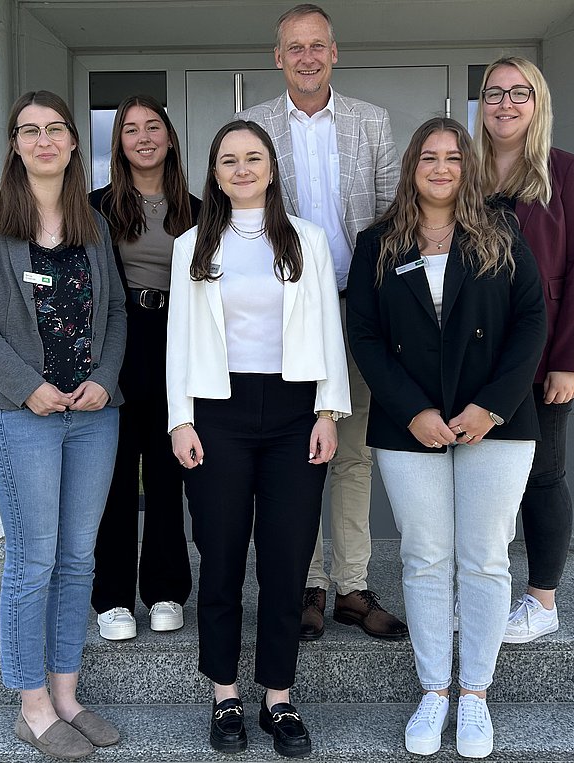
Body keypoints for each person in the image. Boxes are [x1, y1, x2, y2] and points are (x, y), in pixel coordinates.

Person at [346, 118, 546, 758]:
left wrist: (491, 407)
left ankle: (476, 697)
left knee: (485, 557)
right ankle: (434, 691)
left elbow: (531, 323)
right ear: (411, 167)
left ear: (467, 168)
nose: (440, 168)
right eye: (428, 157)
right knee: (426, 557)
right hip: (411, 426)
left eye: (453, 158)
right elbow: (367, 339)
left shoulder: (501, 231)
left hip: (498, 422)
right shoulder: (377, 242)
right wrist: (411, 411)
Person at [167, 119, 350, 758]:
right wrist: (179, 418)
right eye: (228, 161)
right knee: (219, 556)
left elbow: (328, 324)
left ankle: (278, 696)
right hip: (218, 411)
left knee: (286, 559)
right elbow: (180, 340)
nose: (242, 169)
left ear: (271, 168)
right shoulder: (192, 243)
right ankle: (224, 695)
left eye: (253, 158)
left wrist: (330, 410)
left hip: (296, 413)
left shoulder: (308, 240)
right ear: (214, 174)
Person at [0, 90, 125, 761]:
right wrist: (29, 388)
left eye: (56, 129)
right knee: (34, 560)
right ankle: (31, 706)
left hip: (91, 416)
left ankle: (67, 693)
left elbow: (113, 316)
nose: (45, 140)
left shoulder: (92, 220)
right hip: (22, 415)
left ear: (74, 143)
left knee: (79, 558)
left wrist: (104, 380)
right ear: (15, 144)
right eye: (31, 131)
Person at [238, 2, 405, 643]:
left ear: (334, 53)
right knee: (296, 452)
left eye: (318, 46)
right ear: (277, 57)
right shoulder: (253, 126)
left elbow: (392, 217)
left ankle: (353, 587)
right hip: (285, 314)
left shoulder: (371, 123)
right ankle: (304, 583)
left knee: (354, 450)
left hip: (356, 306)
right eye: (294, 48)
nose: (307, 57)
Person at [474, 56, 574, 644]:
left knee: (542, 475)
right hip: (477, 357)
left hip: (547, 353)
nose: (505, 103)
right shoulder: (464, 173)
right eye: (494, 93)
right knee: (484, 478)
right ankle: (484, 590)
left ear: (538, 102)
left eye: (518, 93)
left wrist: (568, 360)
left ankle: (542, 600)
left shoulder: (567, 172)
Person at [88, 95, 201, 641]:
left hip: (177, 341)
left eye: (153, 126)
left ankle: (163, 591)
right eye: (130, 129)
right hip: (117, 340)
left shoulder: (201, 211)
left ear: (170, 137)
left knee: (166, 469)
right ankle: (111, 597)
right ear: (119, 145)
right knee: (112, 472)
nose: (143, 137)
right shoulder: (96, 207)